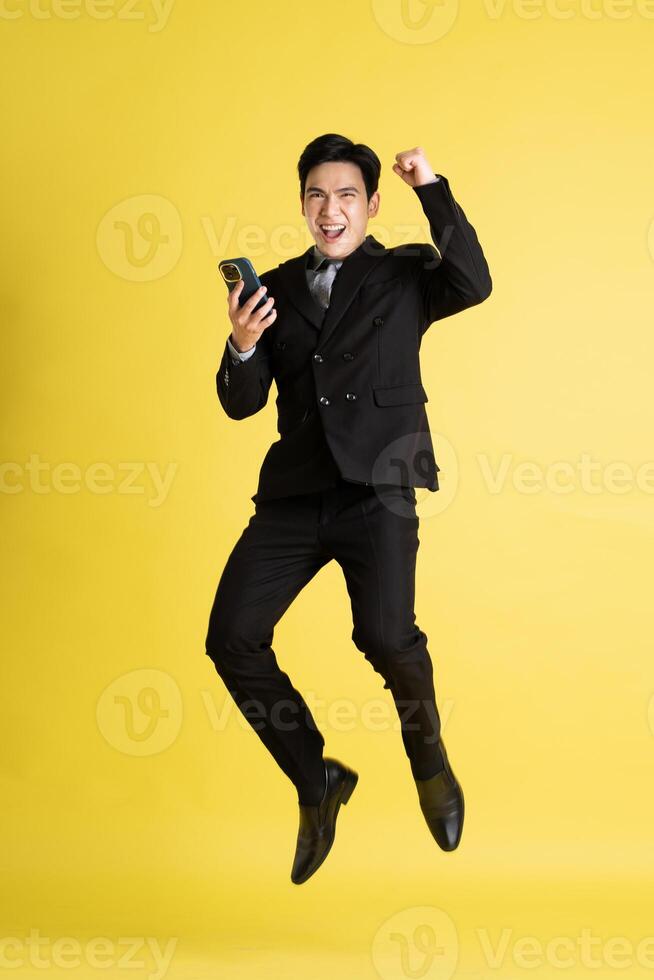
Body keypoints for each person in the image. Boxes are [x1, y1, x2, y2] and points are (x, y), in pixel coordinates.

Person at [205, 133, 492, 884]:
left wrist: (432, 186)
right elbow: (242, 404)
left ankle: (429, 760)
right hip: (296, 494)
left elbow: (474, 281)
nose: (328, 211)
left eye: (344, 197)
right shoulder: (269, 287)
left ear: (369, 204)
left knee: (387, 636)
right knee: (232, 637)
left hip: (380, 486)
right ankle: (316, 777)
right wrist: (240, 345)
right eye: (314, 197)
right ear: (301, 204)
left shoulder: (404, 275)